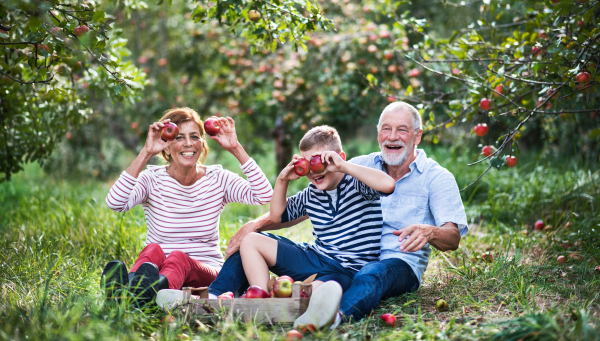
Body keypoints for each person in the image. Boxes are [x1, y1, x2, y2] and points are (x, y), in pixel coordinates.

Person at [205, 102, 468, 327]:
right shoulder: (350, 170)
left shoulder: (421, 177)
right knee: (251, 242)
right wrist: (254, 223)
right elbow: (282, 213)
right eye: (386, 128)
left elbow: (390, 188)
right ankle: (217, 299)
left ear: (417, 136)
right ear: (378, 134)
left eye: (402, 129)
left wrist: (429, 231)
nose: (392, 136)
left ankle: (333, 316)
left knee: (361, 277)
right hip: (323, 256)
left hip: (385, 263)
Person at [101, 107, 273, 306]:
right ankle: (131, 292)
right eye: (179, 137)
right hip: (158, 268)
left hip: (206, 271)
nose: (189, 143)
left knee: (178, 258)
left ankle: (138, 296)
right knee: (153, 249)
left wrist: (236, 148)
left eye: (195, 136)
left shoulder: (218, 179)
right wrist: (146, 152)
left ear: (202, 143)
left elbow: (264, 195)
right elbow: (115, 203)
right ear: (165, 146)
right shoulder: (152, 180)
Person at [239, 125, 395, 328]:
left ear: (339, 157)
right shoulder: (310, 194)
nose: (315, 170)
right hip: (317, 258)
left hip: (346, 269)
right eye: (308, 163)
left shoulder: (357, 184)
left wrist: (343, 166)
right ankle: (259, 298)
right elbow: (277, 215)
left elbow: (388, 185)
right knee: (251, 240)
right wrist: (282, 179)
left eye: (321, 161)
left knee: (317, 291)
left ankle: (301, 309)